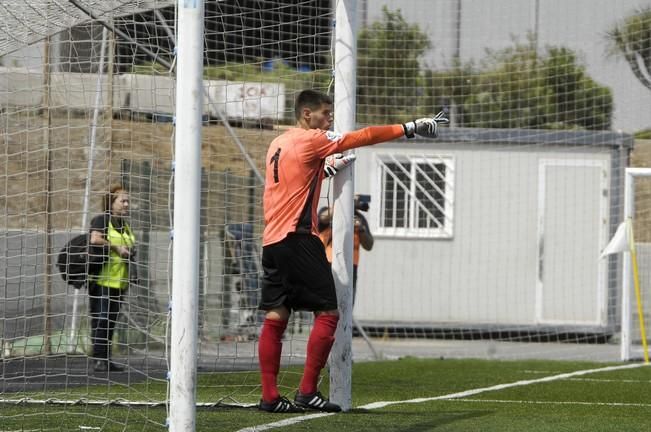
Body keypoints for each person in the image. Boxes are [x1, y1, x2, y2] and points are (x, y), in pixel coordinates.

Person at [257, 88, 448, 413]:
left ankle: (270, 397)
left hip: (272, 241)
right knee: (329, 314)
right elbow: (365, 136)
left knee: (277, 317)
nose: (328, 119)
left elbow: (294, 179)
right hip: (299, 238)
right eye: (324, 113)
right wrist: (410, 126)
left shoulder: (279, 143)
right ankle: (306, 391)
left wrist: (325, 168)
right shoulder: (311, 139)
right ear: (307, 114)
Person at [88, 185, 136, 373]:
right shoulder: (101, 220)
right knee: (101, 319)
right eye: (122, 200)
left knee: (111, 321)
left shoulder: (124, 224)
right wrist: (116, 247)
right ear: (111, 202)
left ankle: (106, 359)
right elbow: (95, 239)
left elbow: (129, 245)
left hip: (120, 281)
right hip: (102, 280)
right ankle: (98, 360)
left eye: (128, 201)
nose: (126, 204)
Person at [317, 200, 374, 304]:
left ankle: (345, 319)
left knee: (347, 300)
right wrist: (340, 206)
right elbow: (322, 218)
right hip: (328, 263)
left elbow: (369, 245)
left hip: (351, 265)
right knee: (325, 301)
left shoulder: (359, 218)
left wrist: (361, 229)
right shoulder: (328, 212)